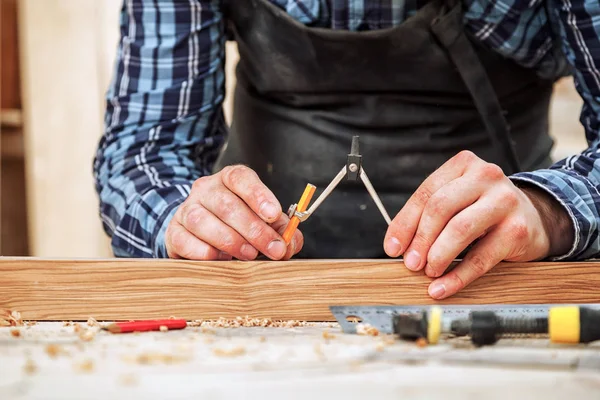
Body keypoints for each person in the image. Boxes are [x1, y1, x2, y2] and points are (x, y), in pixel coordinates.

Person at [93, 0, 600, 300]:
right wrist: (185, 223)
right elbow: (143, 151)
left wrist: (549, 211)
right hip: (264, 296)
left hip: (489, 287)